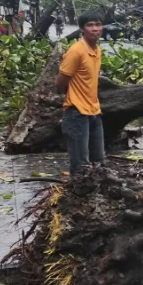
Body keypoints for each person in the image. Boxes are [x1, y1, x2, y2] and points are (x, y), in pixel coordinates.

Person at [56, 11, 105, 175]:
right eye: (90, 25)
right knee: (80, 165)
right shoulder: (76, 51)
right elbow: (60, 82)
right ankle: (77, 196)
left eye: (98, 24)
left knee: (99, 161)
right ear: (82, 29)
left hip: (94, 111)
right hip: (76, 113)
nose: (95, 29)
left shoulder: (97, 50)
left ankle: (96, 195)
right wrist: (71, 97)